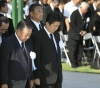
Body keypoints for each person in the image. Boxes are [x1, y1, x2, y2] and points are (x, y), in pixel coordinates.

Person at [0, 20, 34, 88]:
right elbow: (4, 65)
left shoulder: (29, 42)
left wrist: (31, 78)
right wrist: (4, 83)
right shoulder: (8, 43)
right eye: (26, 34)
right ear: (18, 31)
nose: (28, 37)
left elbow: (30, 62)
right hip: (13, 83)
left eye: (30, 34)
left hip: (26, 82)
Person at [33, 12, 62, 88]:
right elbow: (36, 58)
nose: (56, 28)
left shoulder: (56, 35)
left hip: (57, 77)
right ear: (47, 24)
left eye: (58, 26)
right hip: (45, 77)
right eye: (55, 26)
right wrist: (36, 76)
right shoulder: (38, 36)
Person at [68, 2, 89, 68]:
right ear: (81, 8)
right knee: (73, 50)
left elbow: (85, 24)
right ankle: (73, 63)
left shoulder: (84, 15)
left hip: (80, 36)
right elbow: (73, 24)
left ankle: (79, 62)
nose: (86, 11)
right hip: (74, 35)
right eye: (85, 10)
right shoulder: (74, 13)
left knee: (80, 49)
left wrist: (85, 31)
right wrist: (80, 32)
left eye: (86, 10)